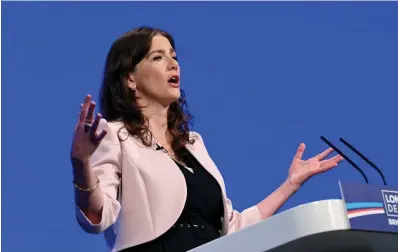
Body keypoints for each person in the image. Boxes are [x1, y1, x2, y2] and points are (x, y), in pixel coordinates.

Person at [70, 26, 344, 252]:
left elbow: (233, 229)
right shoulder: (115, 136)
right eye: (157, 57)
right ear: (130, 79)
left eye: (174, 56)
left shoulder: (193, 144)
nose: (172, 63)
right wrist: (81, 162)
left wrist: (290, 184)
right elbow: (97, 216)